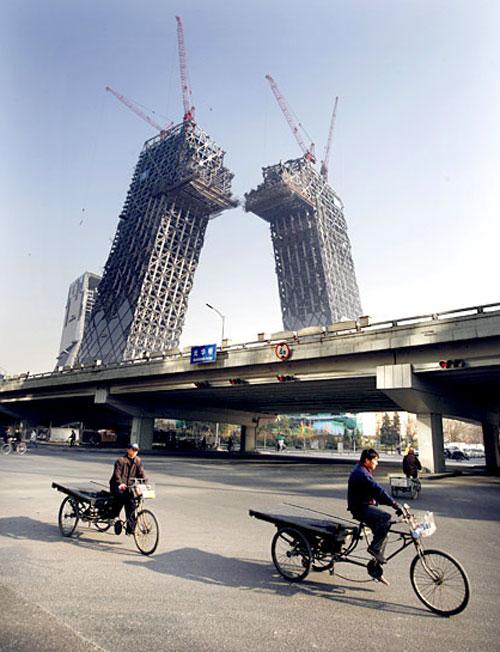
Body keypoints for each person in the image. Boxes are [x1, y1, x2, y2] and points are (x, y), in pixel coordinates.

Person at [347, 448, 403, 564]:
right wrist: (394, 504)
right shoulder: (362, 474)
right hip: (360, 508)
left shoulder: (363, 470)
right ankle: (374, 549)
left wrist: (391, 503)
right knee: (385, 518)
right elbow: (378, 491)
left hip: (364, 504)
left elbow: (375, 493)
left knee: (384, 532)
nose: (377, 463)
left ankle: (375, 564)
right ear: (367, 460)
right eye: (375, 460)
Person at [109, 443, 146, 533]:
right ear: (128, 450)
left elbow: (141, 474)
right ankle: (115, 518)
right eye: (133, 450)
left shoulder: (138, 461)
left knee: (132, 504)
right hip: (117, 486)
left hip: (129, 487)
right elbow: (117, 474)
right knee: (122, 500)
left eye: (136, 450)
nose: (135, 452)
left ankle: (130, 529)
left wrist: (144, 483)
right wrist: (120, 483)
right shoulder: (120, 461)